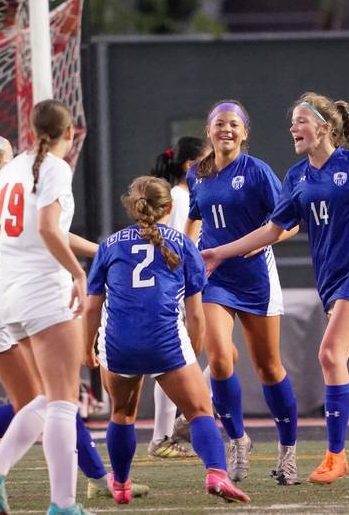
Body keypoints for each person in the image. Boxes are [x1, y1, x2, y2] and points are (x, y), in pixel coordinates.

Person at [201, 92, 349, 485]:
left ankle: (336, 456)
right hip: (331, 280)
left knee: (329, 353)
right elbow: (273, 229)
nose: (293, 127)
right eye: (292, 122)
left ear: (324, 127)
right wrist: (219, 253)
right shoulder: (296, 176)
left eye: (301, 121)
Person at [0, 131, 147, 502]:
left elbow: (40, 233)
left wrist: (102, 252)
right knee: (47, 401)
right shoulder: (8, 192)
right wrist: (103, 256)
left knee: (49, 399)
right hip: (8, 306)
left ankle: (94, 478)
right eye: (12, 155)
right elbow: (47, 234)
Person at [84, 175, 250, 504]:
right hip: (163, 340)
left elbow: (92, 307)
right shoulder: (182, 243)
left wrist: (87, 348)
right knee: (200, 410)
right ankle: (216, 473)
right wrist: (194, 346)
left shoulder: (109, 244)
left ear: (131, 206)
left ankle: (120, 485)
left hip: (119, 342)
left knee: (121, 413)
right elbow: (196, 312)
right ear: (170, 207)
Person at [0, 100, 90, 515]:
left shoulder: (12, 168)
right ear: (70, 133)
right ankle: (63, 505)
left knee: (43, 398)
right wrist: (78, 274)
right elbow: (46, 227)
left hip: (11, 293)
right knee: (63, 400)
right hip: (44, 290)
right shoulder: (55, 168)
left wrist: (17, 251)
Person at [183, 100, 300, 485]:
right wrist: (186, 256)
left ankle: (288, 452)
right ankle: (237, 441)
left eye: (234, 124)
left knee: (268, 367)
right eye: (219, 124)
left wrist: (258, 243)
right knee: (218, 357)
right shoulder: (197, 174)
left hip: (255, 277)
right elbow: (195, 219)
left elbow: (290, 224)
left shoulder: (258, 172)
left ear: (245, 132)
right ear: (209, 130)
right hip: (215, 277)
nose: (226, 130)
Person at [146, 136, 207, 459]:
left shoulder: (182, 195)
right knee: (175, 362)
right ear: (190, 166)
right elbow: (182, 246)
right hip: (178, 287)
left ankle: (176, 425)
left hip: (175, 285)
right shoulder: (182, 197)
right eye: (206, 159)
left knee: (224, 357)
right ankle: (167, 432)